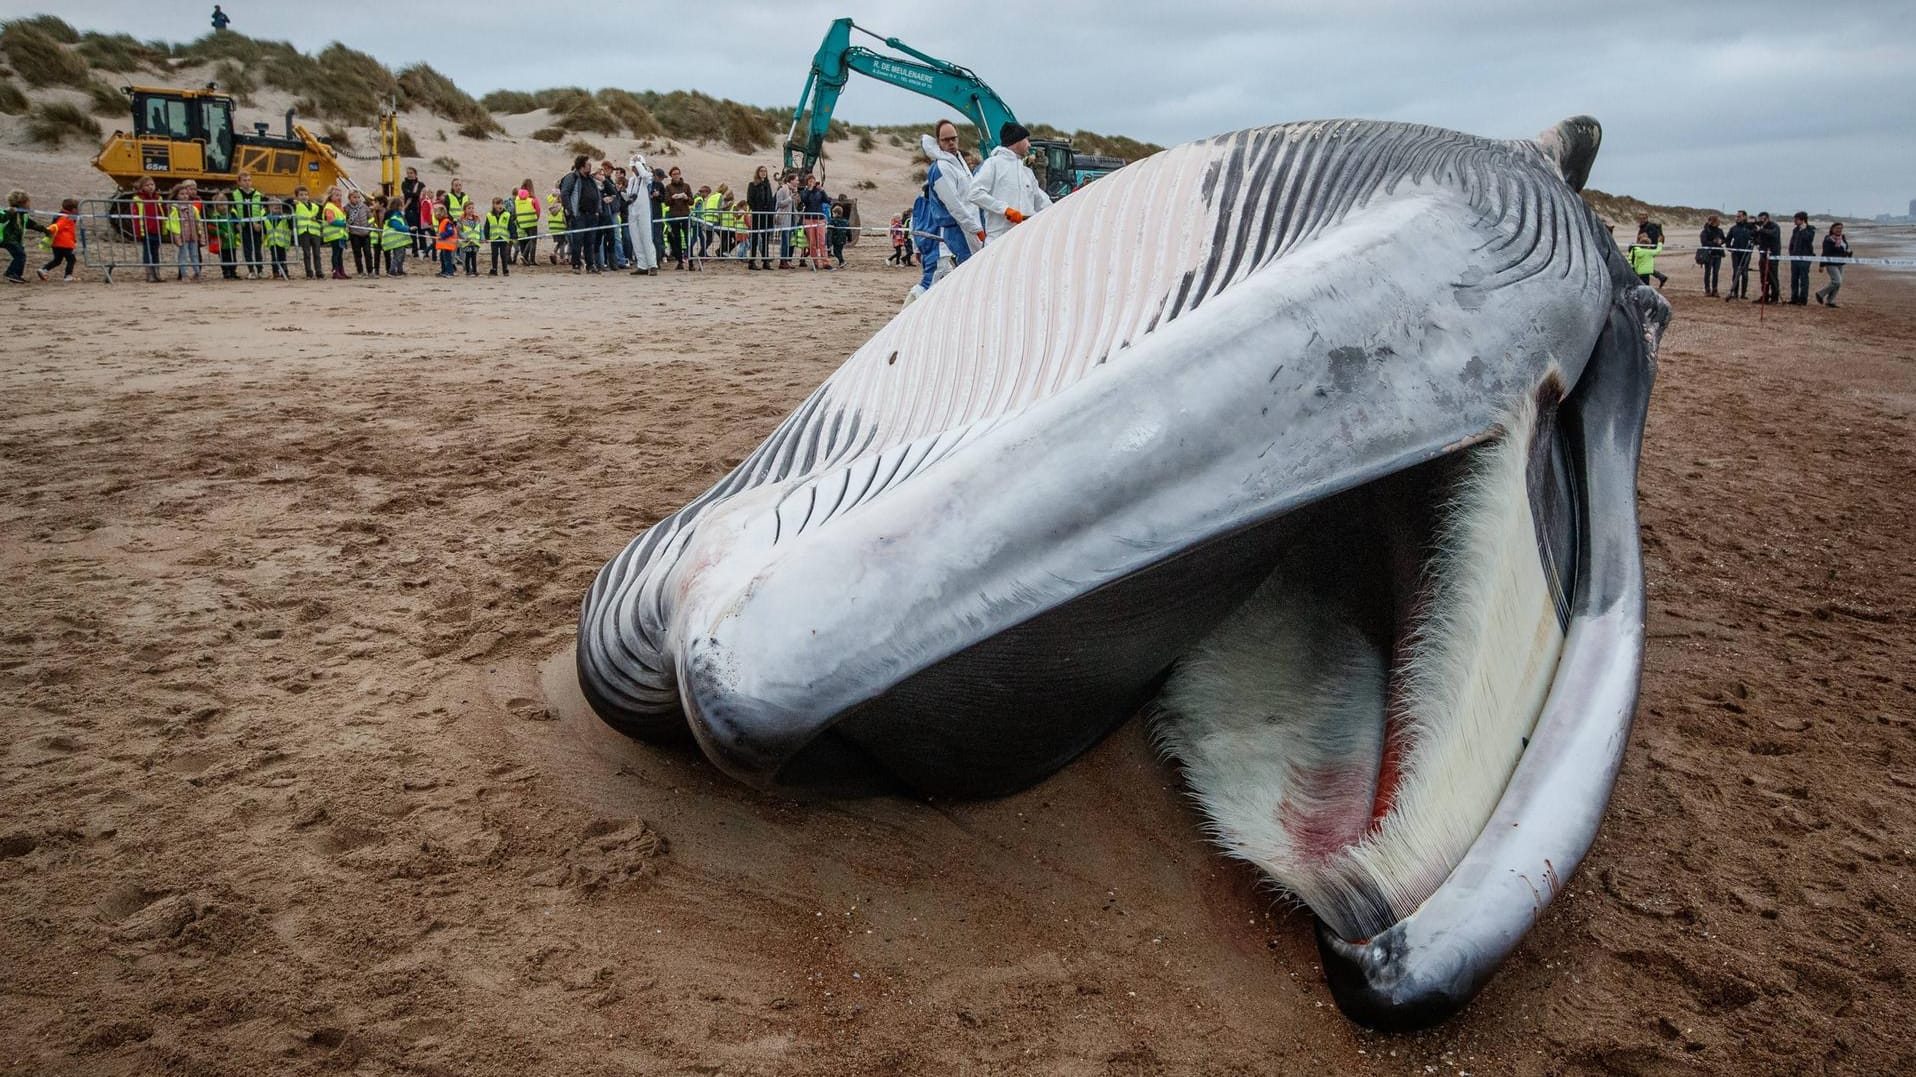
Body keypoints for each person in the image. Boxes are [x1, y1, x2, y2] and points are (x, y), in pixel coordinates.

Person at [911, 120, 984, 298]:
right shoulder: (942, 168)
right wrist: (976, 229)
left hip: (967, 228)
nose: (951, 143)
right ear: (938, 142)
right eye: (946, 140)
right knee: (960, 275)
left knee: (968, 274)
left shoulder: (957, 164)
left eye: (954, 139)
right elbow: (955, 205)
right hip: (958, 230)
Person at [967, 122, 1052, 243]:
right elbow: (974, 193)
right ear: (1017, 140)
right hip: (999, 240)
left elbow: (1041, 202)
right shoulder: (993, 164)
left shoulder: (1026, 172)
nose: (1029, 144)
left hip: (1025, 238)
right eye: (1026, 140)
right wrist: (1005, 210)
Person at [560, 155, 602, 274]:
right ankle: (576, 265)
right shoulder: (572, 177)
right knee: (577, 241)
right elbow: (565, 193)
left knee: (590, 241)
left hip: (592, 215)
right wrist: (569, 209)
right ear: (582, 166)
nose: (590, 166)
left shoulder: (590, 179)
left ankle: (590, 265)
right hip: (579, 214)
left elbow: (597, 193)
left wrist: (598, 210)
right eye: (588, 164)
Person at [3, 190, 51, 284]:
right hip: (7, 238)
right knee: (20, 255)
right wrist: (9, 213)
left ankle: (16, 275)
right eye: (28, 202)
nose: (29, 204)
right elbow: (2, 219)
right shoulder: (9, 212)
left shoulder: (23, 215)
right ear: (21, 203)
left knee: (21, 255)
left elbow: (31, 224)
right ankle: (11, 273)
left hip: (15, 240)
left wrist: (45, 230)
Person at [624, 158, 658, 275]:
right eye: (633, 167)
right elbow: (629, 194)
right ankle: (642, 265)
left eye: (635, 167)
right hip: (633, 210)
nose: (634, 169)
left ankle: (652, 265)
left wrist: (638, 162)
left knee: (646, 237)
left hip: (644, 211)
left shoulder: (646, 177)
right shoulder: (632, 180)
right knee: (636, 238)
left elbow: (644, 175)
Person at [229, 170, 265, 278]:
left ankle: (260, 270)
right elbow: (232, 210)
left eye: (249, 180)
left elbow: (262, 209)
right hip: (243, 226)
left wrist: (259, 223)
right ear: (239, 182)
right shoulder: (235, 194)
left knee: (258, 249)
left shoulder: (258, 194)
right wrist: (236, 223)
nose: (247, 183)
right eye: (244, 180)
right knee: (247, 249)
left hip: (255, 225)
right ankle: (251, 270)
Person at [167, 181, 204, 282]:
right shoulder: (174, 208)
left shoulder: (193, 208)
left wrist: (200, 234)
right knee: (183, 255)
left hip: (193, 236)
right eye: (182, 194)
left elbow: (198, 222)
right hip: (182, 236)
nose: (185, 196)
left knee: (195, 255)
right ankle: (184, 274)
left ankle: (197, 273)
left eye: (186, 194)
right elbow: (173, 223)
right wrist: (177, 236)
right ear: (176, 195)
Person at [34, 197, 78, 282]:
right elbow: (57, 226)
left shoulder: (61, 216)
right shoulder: (66, 218)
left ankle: (44, 270)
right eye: (77, 209)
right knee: (71, 259)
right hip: (65, 244)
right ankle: (68, 276)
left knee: (57, 260)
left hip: (56, 244)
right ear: (73, 209)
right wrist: (48, 231)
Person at [131, 176, 165, 283]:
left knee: (155, 252)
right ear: (142, 187)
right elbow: (136, 217)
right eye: (147, 185)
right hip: (145, 230)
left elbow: (162, 213)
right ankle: (149, 273)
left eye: (152, 184)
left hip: (157, 229)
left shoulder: (158, 198)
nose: (150, 187)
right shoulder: (138, 199)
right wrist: (138, 232)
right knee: (147, 252)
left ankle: (157, 273)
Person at [662, 166, 694, 269]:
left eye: (678, 173)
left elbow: (692, 201)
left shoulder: (686, 186)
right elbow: (666, 202)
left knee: (688, 238)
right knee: (676, 240)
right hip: (674, 216)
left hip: (685, 215)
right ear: (671, 175)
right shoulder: (668, 187)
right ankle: (680, 261)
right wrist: (672, 198)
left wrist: (686, 198)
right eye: (674, 174)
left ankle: (691, 262)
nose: (676, 176)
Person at [746, 165, 775, 270]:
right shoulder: (752, 185)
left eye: (765, 171)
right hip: (757, 214)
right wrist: (757, 209)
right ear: (758, 172)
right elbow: (750, 200)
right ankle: (752, 261)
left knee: (765, 238)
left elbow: (770, 200)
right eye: (761, 171)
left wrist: (770, 212)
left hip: (766, 215)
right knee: (754, 238)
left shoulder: (768, 185)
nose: (763, 173)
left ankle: (766, 261)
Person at [798, 175, 830, 270]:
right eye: (810, 180)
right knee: (812, 242)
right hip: (809, 218)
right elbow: (804, 200)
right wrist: (809, 190)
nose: (812, 182)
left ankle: (825, 262)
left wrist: (823, 191)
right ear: (807, 182)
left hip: (819, 218)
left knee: (821, 241)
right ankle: (815, 262)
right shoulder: (804, 191)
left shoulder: (819, 192)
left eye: (813, 180)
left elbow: (827, 200)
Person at [1815, 222, 1850, 307]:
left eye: (1841, 228)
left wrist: (1849, 253)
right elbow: (1825, 253)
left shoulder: (1843, 238)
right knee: (1837, 281)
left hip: (1840, 263)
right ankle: (1820, 294)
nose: (1839, 230)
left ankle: (1830, 301)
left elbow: (1845, 250)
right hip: (1831, 264)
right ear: (1832, 229)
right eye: (1837, 228)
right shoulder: (1828, 239)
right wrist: (1821, 265)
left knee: (1838, 283)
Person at [1722, 210, 1754, 301]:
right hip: (1736, 253)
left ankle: (1743, 294)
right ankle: (1735, 293)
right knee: (1736, 272)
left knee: (1744, 273)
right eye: (1736, 216)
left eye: (1739, 216)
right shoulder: (1733, 228)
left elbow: (1756, 238)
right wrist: (1730, 248)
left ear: (1744, 217)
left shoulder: (1749, 228)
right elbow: (1727, 239)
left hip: (1746, 253)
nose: (1737, 218)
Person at [1787, 212, 1815, 305]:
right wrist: (1791, 252)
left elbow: (1808, 239)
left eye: (1796, 219)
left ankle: (1803, 299)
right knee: (1794, 279)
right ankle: (1794, 298)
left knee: (1804, 279)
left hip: (1805, 257)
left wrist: (1803, 230)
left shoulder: (1810, 229)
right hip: (1795, 257)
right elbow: (1792, 241)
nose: (1794, 221)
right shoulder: (1795, 230)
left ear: (1802, 220)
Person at [1753, 211, 1782, 304]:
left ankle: (1774, 297)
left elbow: (1773, 234)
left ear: (1767, 219)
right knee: (1763, 277)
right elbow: (1757, 238)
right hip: (1763, 254)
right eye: (1760, 220)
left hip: (1773, 255)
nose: (1762, 221)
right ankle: (1765, 296)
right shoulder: (1762, 227)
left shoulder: (1774, 226)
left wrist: (1761, 230)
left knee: (1773, 276)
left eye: (1763, 219)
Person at [1634, 212, 1668, 288]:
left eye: (1643, 218)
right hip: (1645, 249)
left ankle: (1661, 277)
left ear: (1646, 218)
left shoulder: (1649, 227)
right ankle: (1661, 277)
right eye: (1640, 218)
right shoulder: (1642, 227)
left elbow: (1652, 238)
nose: (1641, 220)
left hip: (1647, 249)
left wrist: (1649, 249)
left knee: (1643, 265)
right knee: (1645, 265)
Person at [345, 189, 374, 276]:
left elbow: (371, 218)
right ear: (349, 198)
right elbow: (346, 220)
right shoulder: (346, 208)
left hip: (366, 234)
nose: (356, 199)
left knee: (368, 253)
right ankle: (360, 271)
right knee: (357, 254)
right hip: (355, 234)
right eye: (354, 197)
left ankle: (370, 271)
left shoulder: (364, 207)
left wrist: (369, 227)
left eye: (358, 197)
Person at [483, 196, 514, 276]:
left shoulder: (507, 214)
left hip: (503, 238)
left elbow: (511, 226)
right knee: (494, 254)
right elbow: (487, 227)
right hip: (494, 239)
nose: (500, 205)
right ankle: (494, 269)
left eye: (501, 203)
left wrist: (513, 235)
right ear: (493, 205)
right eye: (497, 204)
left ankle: (505, 269)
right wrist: (486, 237)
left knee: (504, 254)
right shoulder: (489, 215)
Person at [773, 173, 798, 269]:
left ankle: (787, 259)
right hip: (784, 218)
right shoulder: (783, 189)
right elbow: (779, 204)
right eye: (796, 180)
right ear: (791, 180)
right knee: (785, 240)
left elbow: (794, 205)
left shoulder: (792, 190)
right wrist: (790, 199)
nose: (798, 182)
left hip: (791, 218)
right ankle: (783, 261)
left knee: (789, 241)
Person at [1697, 214, 1725, 297]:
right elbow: (1704, 242)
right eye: (1715, 221)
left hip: (1718, 254)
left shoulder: (1720, 231)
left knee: (1716, 273)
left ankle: (1715, 289)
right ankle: (1707, 289)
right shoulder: (1705, 231)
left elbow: (1724, 239)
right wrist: (1714, 242)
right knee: (1708, 272)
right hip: (1708, 254)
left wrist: (1721, 241)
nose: (1717, 223)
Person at [512, 180, 539, 266]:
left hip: (522, 222)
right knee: (533, 240)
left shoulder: (517, 199)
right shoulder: (533, 198)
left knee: (525, 239)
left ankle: (525, 257)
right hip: (532, 222)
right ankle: (530, 259)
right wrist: (536, 218)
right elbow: (538, 210)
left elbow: (515, 210)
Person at [380, 199, 410, 276]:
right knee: (397, 256)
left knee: (401, 255)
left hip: (399, 240)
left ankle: (400, 270)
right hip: (395, 240)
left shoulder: (397, 215)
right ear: (397, 206)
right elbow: (397, 226)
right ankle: (392, 271)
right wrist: (408, 228)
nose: (402, 207)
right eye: (400, 206)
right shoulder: (394, 216)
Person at [265, 199, 292, 279]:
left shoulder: (284, 217)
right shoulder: (266, 218)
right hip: (273, 242)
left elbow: (290, 226)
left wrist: (290, 219)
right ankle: (275, 272)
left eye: (279, 208)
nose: (278, 210)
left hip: (282, 242)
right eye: (276, 208)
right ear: (270, 208)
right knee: (274, 258)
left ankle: (285, 272)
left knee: (283, 258)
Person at [432, 204, 458, 277]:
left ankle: (450, 272)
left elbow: (450, 232)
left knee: (447, 259)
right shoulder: (442, 221)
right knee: (442, 258)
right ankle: (444, 271)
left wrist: (442, 235)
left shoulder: (447, 221)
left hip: (448, 244)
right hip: (444, 245)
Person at [458, 203, 482, 276]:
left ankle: (475, 270)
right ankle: (468, 271)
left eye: (472, 208)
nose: (471, 210)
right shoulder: (461, 220)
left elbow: (480, 229)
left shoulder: (477, 219)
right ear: (465, 210)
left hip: (475, 241)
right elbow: (459, 231)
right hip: (467, 242)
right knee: (468, 257)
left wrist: (482, 237)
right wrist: (464, 237)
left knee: (474, 256)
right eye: (469, 208)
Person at [545, 188, 567, 265]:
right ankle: (562, 258)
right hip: (561, 227)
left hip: (553, 228)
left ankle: (553, 253)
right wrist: (567, 226)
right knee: (563, 243)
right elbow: (564, 219)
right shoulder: (562, 208)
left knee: (561, 242)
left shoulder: (552, 208)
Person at [827, 202, 852, 269]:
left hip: (836, 239)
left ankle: (842, 261)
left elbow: (829, 228)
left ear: (836, 213)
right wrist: (850, 238)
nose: (833, 215)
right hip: (843, 239)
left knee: (836, 252)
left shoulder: (833, 221)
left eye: (833, 213)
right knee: (839, 251)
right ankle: (841, 262)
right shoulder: (846, 221)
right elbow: (849, 231)